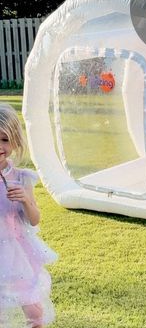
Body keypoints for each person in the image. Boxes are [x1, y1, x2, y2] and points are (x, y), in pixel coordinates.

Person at [0, 103, 57, 327]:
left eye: (5, 139)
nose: (0, 146)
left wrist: (25, 198)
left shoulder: (22, 178)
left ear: (15, 142)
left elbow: (34, 219)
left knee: (32, 304)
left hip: (16, 251)